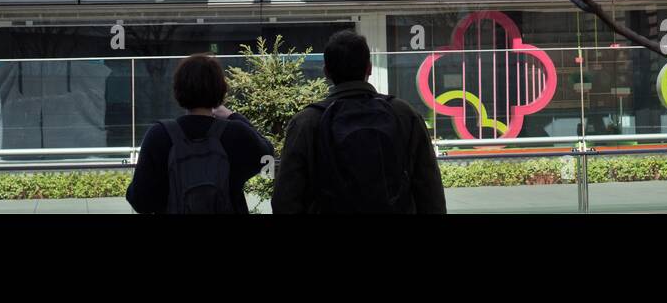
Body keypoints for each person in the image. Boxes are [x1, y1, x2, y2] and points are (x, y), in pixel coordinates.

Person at [272, 30, 446, 214]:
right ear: (369, 68)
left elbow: (285, 199)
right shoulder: (404, 115)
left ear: (326, 72)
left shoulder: (306, 122)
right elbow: (430, 193)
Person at [126, 53, 273, 214]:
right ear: (221, 90)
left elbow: (140, 201)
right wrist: (232, 116)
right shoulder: (235, 133)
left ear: (178, 89)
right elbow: (267, 155)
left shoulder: (159, 135)